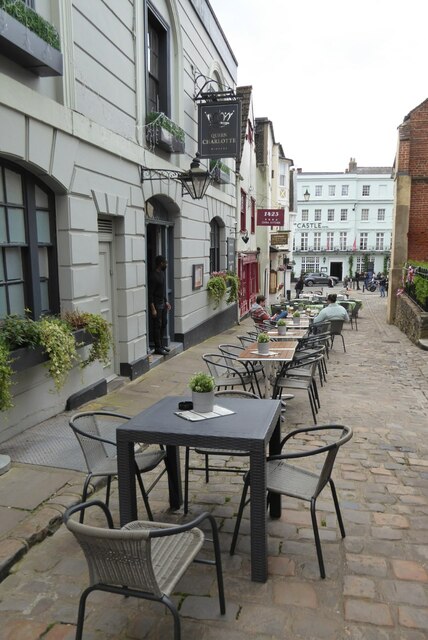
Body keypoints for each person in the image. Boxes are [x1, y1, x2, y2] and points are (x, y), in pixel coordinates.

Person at [148, 255, 171, 355]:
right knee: (157, 325)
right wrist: (153, 308)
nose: (166, 264)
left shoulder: (162, 274)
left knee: (164, 324)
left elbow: (162, 290)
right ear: (160, 263)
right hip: (156, 304)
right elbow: (150, 294)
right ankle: (157, 347)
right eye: (165, 263)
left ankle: (161, 345)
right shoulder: (153, 276)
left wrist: (166, 301)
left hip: (162, 303)